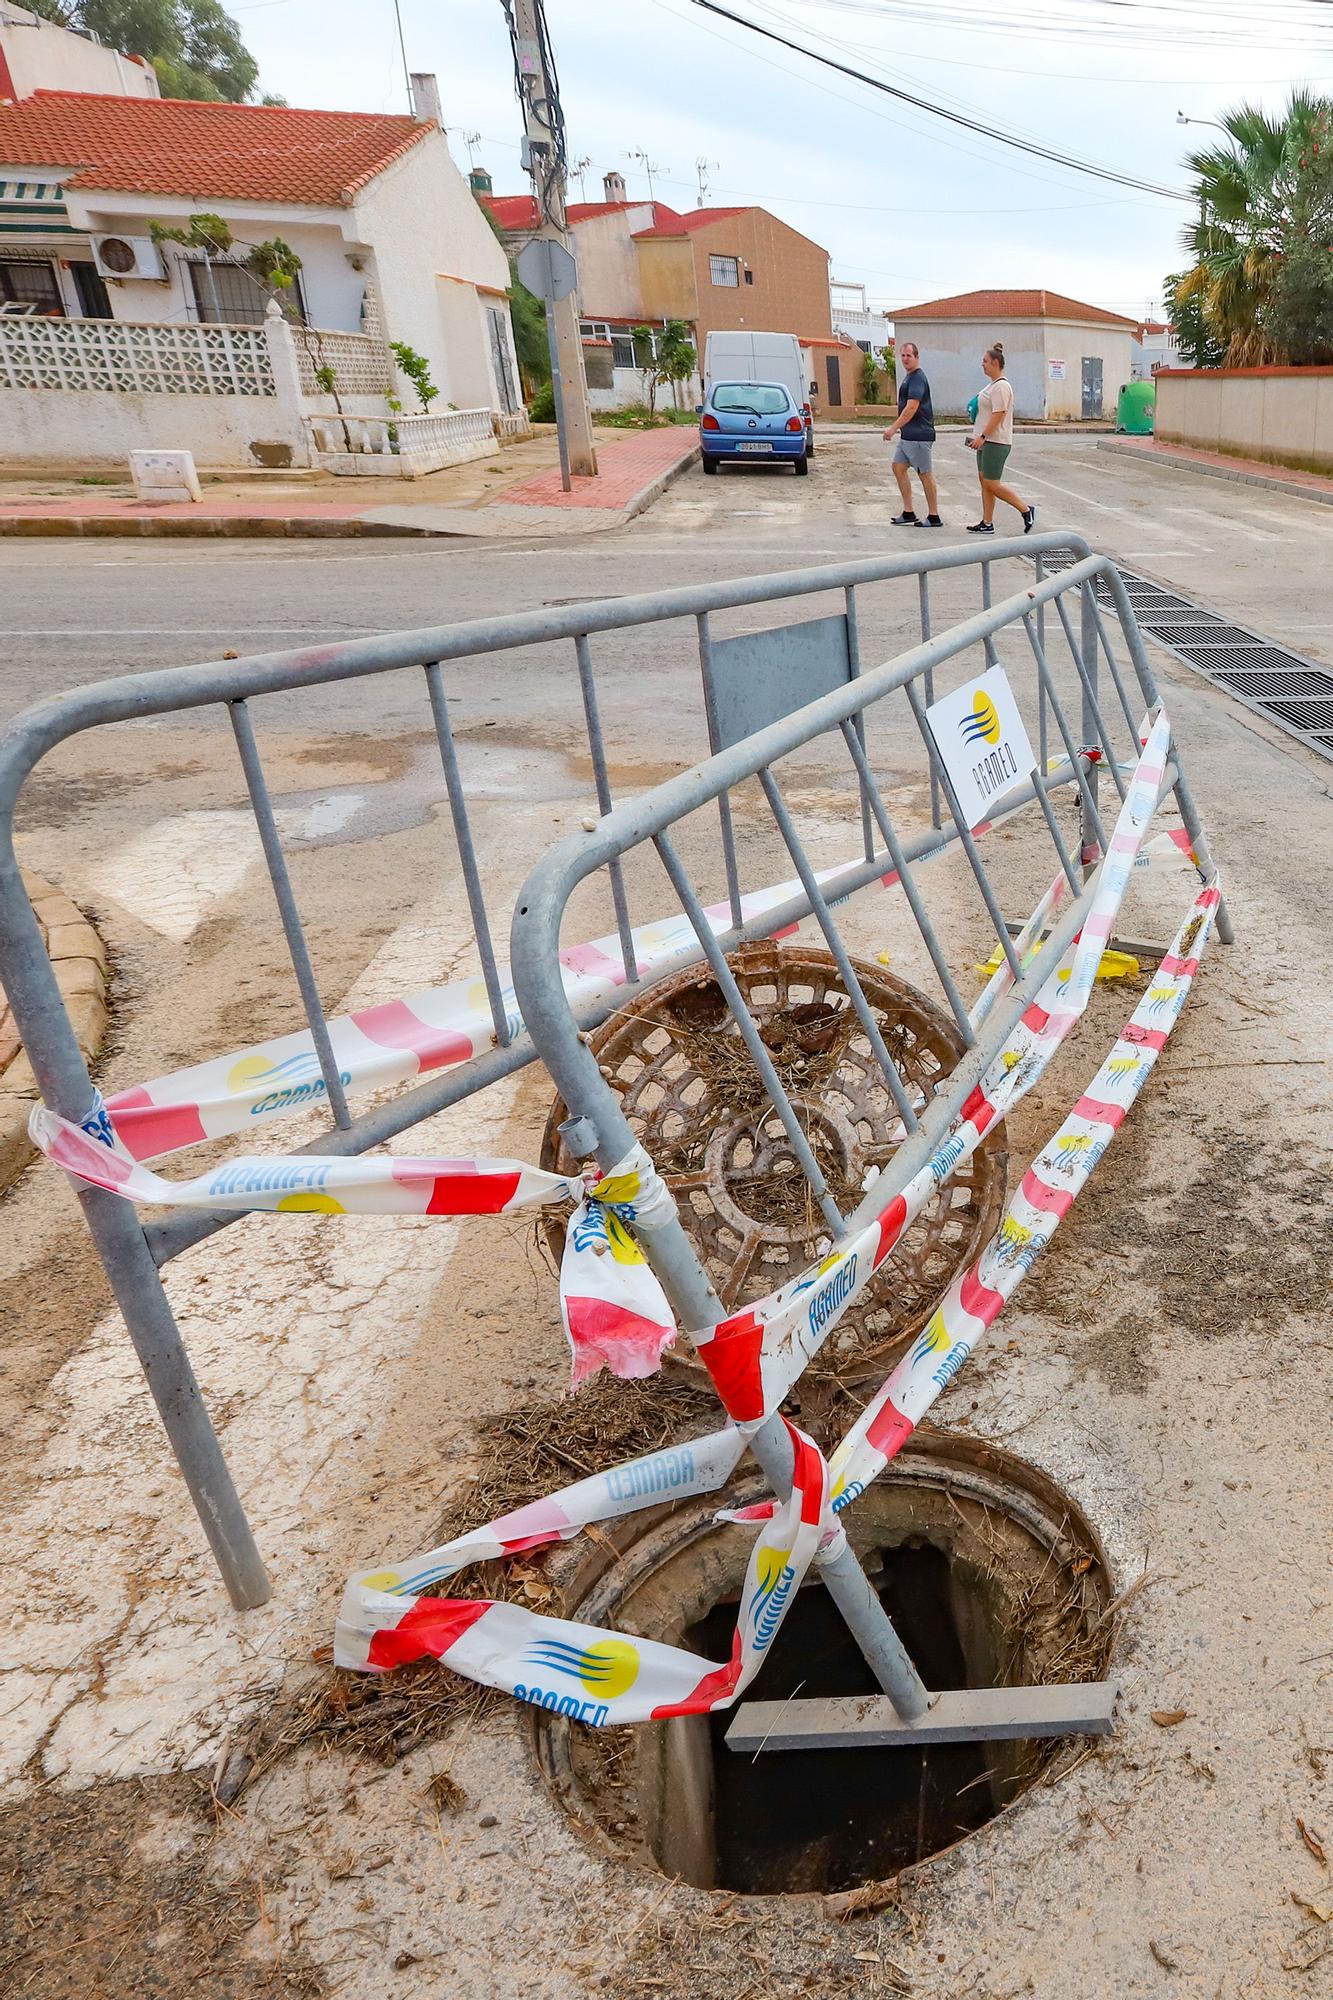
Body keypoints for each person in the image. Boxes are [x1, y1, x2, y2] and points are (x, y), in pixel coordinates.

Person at [966, 342, 1037, 535]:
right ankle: (987, 522)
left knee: (992, 483)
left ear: (995, 363)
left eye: (985, 361)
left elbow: (999, 413)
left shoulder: (1002, 387)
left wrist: (983, 436)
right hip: (986, 441)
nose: (983, 364)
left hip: (996, 442)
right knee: (984, 481)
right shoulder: (991, 385)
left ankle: (1025, 509)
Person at [882, 340, 942, 527]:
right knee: (898, 467)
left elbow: (912, 407)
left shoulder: (917, 378)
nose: (906, 359)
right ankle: (908, 512)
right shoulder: (909, 377)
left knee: (925, 474)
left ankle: (934, 516)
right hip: (908, 436)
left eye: (909, 355)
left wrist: (893, 428)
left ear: (917, 357)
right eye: (903, 355)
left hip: (919, 436)